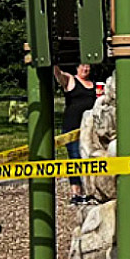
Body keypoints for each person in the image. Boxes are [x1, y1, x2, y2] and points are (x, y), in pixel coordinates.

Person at [54, 64, 97, 205]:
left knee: (89, 158)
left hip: (89, 128)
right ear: (77, 68)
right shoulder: (71, 80)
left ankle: (90, 190)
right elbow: (60, 77)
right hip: (72, 128)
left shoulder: (94, 84)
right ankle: (76, 193)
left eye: (88, 66)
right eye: (82, 66)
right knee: (75, 158)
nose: (85, 69)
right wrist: (54, 65)